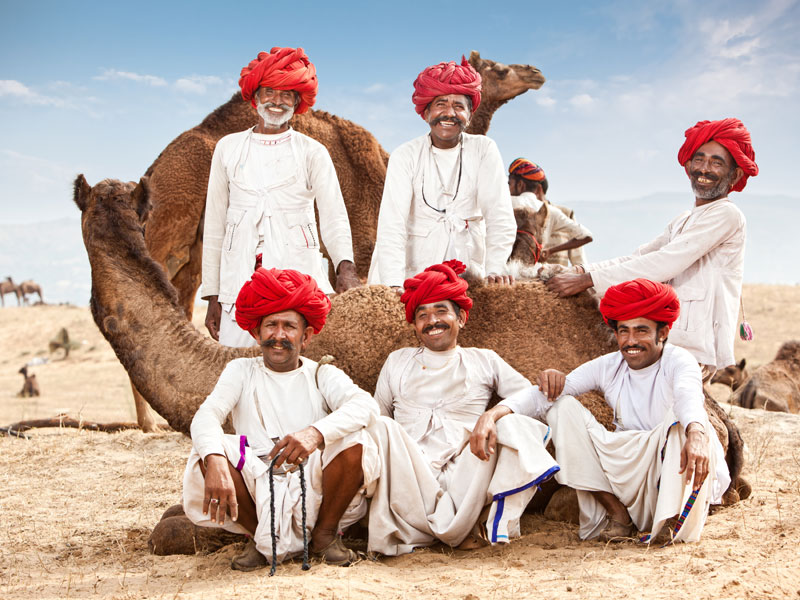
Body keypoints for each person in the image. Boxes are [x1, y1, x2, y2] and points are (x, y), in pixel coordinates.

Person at [504, 279, 730, 543]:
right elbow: (547, 394)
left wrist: (697, 432)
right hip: (630, 461)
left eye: (642, 330)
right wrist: (498, 413)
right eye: (624, 331)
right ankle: (617, 514)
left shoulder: (680, 360)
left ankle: (672, 517)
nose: (631, 341)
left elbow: (687, 397)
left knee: (680, 423)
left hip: (670, 462)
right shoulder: (608, 365)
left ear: (664, 332)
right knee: (561, 409)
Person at [183, 268, 379, 570]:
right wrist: (216, 458)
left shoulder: (320, 373)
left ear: (306, 336)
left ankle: (325, 536)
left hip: (314, 489)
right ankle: (260, 538)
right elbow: (207, 415)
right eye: (271, 325)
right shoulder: (240, 371)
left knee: (356, 437)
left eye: (289, 326)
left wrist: (315, 433)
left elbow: (365, 405)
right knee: (205, 452)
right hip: (258, 486)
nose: (278, 335)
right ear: (257, 332)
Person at [367, 260, 559, 554]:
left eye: (441, 311)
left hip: (467, 471)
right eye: (423, 315)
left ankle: (478, 521)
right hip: (408, 476)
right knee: (379, 427)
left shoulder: (484, 359)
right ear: (415, 324)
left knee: (513, 424)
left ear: (462, 318)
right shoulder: (397, 360)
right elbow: (378, 416)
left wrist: (491, 416)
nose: (432, 321)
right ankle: (442, 528)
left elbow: (531, 399)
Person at [545, 118, 759, 376]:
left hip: (694, 344)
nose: (705, 169)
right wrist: (582, 270)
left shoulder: (727, 215)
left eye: (717, 162)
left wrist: (589, 280)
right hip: (669, 337)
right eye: (699, 160)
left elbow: (667, 262)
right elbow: (641, 256)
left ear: (734, 174)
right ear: (689, 164)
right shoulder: (683, 220)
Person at [200, 47, 361, 348]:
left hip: (300, 282)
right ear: (255, 97)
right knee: (241, 373)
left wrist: (345, 268)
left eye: (287, 94)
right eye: (269, 91)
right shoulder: (228, 148)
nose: (277, 101)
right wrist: (213, 295)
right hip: (239, 288)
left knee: (303, 369)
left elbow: (334, 216)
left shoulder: (313, 152)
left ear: (298, 101)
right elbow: (215, 226)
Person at [367, 57, 517, 289]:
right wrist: (393, 285)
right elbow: (392, 226)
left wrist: (495, 267)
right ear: (426, 113)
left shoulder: (484, 149)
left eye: (459, 106)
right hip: (410, 273)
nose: (449, 113)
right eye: (441, 104)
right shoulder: (404, 155)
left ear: (469, 114)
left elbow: (500, 215)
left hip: (467, 272)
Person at [508, 158, 592, 265]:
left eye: (509, 184)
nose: (508, 189)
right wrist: (550, 251)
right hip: (535, 273)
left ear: (520, 185)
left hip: (506, 273)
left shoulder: (505, 203)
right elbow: (587, 236)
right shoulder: (551, 211)